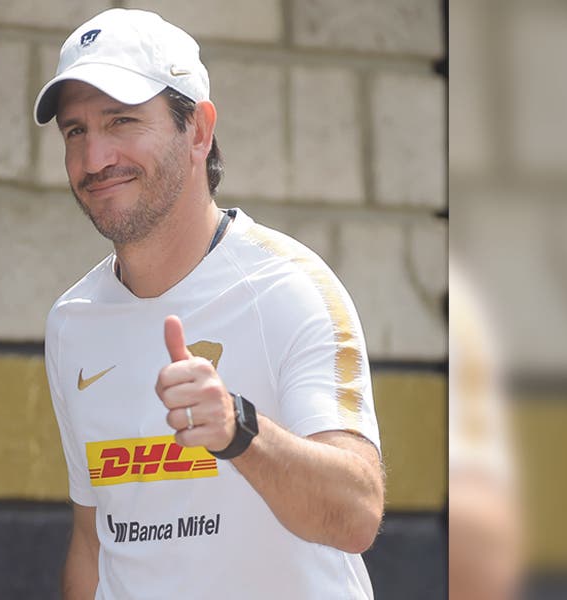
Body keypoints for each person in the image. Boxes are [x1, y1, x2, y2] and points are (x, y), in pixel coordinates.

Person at [37, 9, 385, 599]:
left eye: (121, 121)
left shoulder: (288, 287)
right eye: (76, 131)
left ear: (198, 130)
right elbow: (93, 543)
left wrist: (238, 428)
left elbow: (357, 515)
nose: (94, 159)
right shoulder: (72, 322)